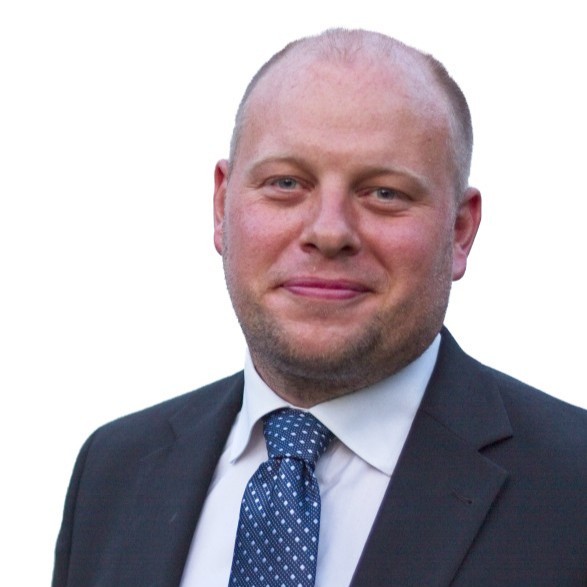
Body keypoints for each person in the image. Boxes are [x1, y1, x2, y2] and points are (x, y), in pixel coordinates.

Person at [52, 29, 587, 587]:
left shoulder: (574, 491)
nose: (329, 232)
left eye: (384, 193)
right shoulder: (113, 473)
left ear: (460, 230)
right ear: (222, 206)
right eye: (286, 183)